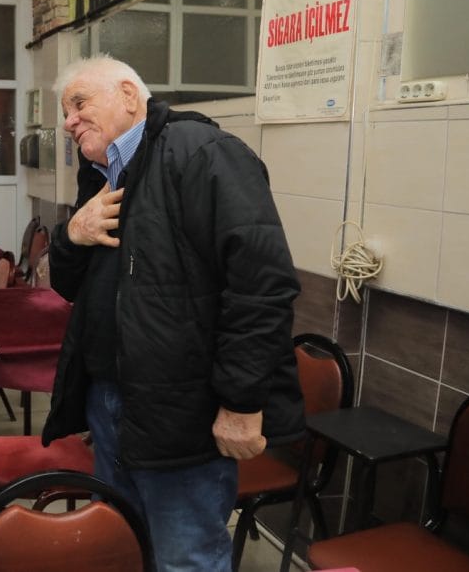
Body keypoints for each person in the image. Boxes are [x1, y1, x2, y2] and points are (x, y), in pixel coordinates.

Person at [41, 55, 304, 572]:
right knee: (122, 546)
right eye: (65, 111)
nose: (68, 121)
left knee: (186, 558)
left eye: (79, 104)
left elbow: (263, 287)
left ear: (129, 95)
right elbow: (72, 286)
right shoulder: (100, 175)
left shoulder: (205, 154)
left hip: (184, 411)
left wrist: (242, 401)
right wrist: (72, 235)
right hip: (112, 403)